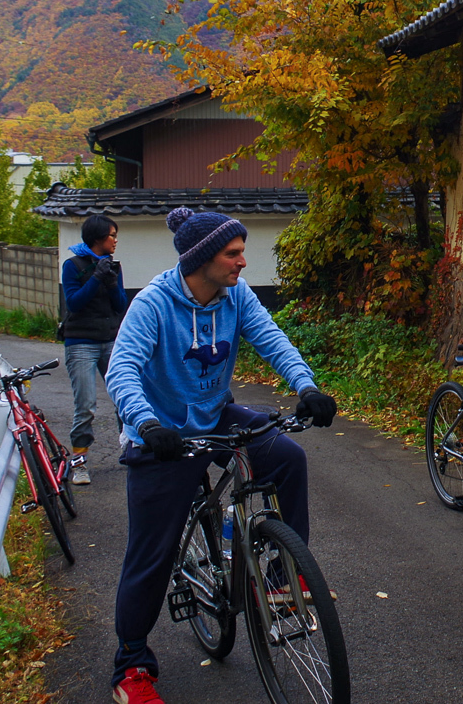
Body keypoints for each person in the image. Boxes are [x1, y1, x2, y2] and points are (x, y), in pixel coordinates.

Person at [106, 207, 337, 704]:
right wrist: (146, 423)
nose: (242, 262)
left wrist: (306, 386)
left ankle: (279, 578)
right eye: (233, 254)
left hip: (214, 415)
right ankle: (131, 668)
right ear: (202, 260)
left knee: (287, 457)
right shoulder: (153, 305)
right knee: (152, 555)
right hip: (161, 434)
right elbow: (121, 367)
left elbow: (271, 339)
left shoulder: (235, 296)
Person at [60, 214, 128, 485]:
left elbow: (121, 305)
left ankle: (130, 450)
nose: (115, 240)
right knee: (86, 405)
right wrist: (95, 279)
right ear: (98, 238)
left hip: (110, 339)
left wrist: (111, 282)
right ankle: (79, 463)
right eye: (112, 235)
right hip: (80, 343)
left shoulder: (113, 266)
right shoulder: (72, 265)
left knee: (125, 396)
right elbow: (74, 303)